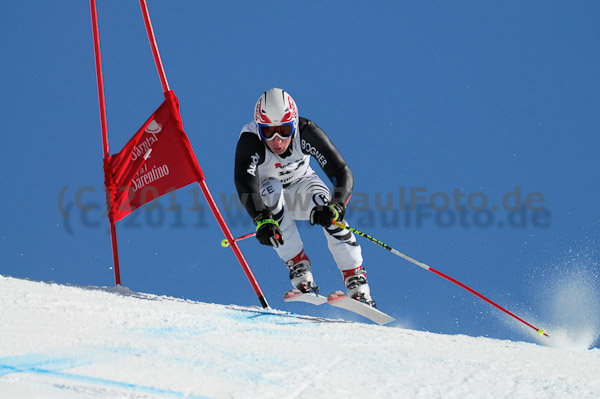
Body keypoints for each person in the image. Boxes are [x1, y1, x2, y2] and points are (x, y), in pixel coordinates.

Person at [234, 88, 376, 307]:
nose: (277, 140)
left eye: (284, 129)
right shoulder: (251, 140)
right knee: (270, 190)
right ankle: (299, 267)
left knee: (326, 206)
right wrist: (260, 218)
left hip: (304, 187)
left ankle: (356, 279)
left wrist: (336, 206)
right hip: (271, 195)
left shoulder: (306, 132)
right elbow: (244, 181)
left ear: (294, 123)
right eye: (268, 131)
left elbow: (341, 171)